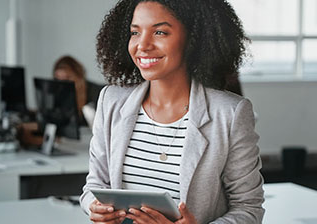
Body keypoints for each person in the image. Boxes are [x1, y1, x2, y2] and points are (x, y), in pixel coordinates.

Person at [80, 0, 264, 223]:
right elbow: (95, 185)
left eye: (160, 32)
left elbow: (248, 208)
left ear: (194, 39)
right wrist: (93, 206)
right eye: (135, 32)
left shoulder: (231, 114)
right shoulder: (111, 101)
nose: (143, 45)